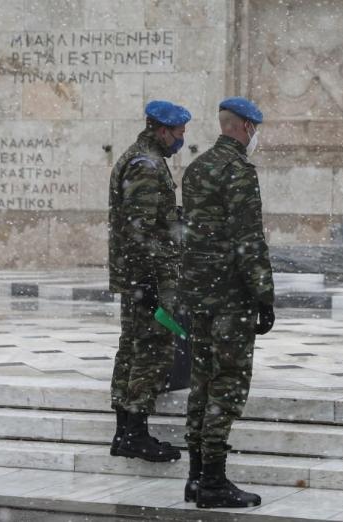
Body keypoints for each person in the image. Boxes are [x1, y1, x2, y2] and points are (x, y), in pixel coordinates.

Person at [180, 96, 275, 509]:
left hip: (199, 295)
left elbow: (191, 234)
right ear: (246, 127)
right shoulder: (238, 172)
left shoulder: (197, 168)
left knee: (201, 381)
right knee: (229, 382)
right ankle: (214, 482)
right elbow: (248, 240)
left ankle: (196, 477)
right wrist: (264, 295)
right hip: (230, 297)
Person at [107, 100, 190, 463]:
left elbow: (148, 220)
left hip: (139, 275)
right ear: (161, 130)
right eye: (178, 133)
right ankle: (136, 433)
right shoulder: (147, 165)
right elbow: (138, 229)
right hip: (148, 276)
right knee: (151, 351)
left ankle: (125, 431)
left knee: (132, 348)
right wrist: (147, 283)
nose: (181, 139)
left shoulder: (141, 158)